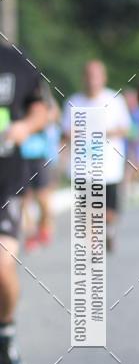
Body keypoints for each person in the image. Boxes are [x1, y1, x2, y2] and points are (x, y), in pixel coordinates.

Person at [0, 42, 48, 364]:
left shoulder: (14, 62)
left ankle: (5, 330)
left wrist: (24, 127)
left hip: (4, 183)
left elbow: (40, 109)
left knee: (2, 265)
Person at [63, 61, 131, 253]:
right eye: (89, 76)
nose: (92, 81)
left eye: (96, 76)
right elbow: (65, 132)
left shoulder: (115, 100)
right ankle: (94, 246)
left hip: (108, 167)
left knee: (108, 212)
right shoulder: (73, 102)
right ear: (83, 78)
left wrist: (103, 132)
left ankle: (108, 230)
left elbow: (126, 128)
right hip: (82, 167)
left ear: (103, 78)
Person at [21, 83, 61, 251]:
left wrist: (35, 119)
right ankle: (30, 236)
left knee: (43, 198)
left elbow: (53, 116)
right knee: (23, 199)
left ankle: (44, 226)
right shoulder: (18, 98)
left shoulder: (46, 99)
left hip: (40, 155)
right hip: (20, 154)